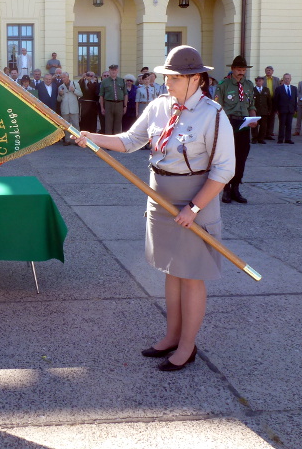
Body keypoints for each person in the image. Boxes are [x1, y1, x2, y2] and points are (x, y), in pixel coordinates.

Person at [76, 46, 234, 372]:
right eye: (166, 77)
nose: (167, 83)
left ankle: (187, 346)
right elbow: (129, 141)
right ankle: (171, 336)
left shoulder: (213, 115)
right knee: (171, 270)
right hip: (160, 200)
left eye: (174, 78)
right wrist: (93, 137)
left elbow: (223, 171)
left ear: (195, 79)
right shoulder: (159, 107)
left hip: (194, 203)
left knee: (191, 275)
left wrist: (193, 208)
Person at [214, 55, 257, 204]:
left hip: (244, 123)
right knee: (227, 157)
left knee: (241, 156)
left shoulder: (249, 85)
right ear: (232, 69)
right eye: (239, 69)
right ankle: (225, 188)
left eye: (244, 70)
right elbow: (217, 106)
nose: (241, 72)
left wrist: (253, 118)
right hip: (229, 122)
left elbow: (251, 104)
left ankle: (236, 188)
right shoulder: (224, 85)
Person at [99, 65, 127, 135]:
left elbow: (125, 94)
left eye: (115, 70)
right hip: (108, 104)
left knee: (118, 124)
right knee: (108, 124)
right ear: (109, 71)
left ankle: (116, 143)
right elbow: (101, 95)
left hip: (119, 104)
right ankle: (108, 143)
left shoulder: (122, 81)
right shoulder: (104, 81)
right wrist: (102, 107)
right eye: (112, 70)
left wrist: (125, 106)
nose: (113, 71)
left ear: (117, 71)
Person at [57, 72, 82, 145]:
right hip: (65, 109)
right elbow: (58, 99)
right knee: (66, 126)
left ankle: (77, 140)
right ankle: (67, 140)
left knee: (76, 125)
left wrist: (74, 90)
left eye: (64, 77)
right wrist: (60, 94)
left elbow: (81, 94)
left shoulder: (75, 84)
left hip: (74, 108)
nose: (63, 79)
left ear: (68, 77)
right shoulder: (60, 86)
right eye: (62, 78)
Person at [272, 74, 297, 144]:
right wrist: (276, 109)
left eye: (288, 78)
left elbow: (295, 99)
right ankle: (280, 138)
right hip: (282, 109)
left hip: (291, 109)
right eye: (285, 78)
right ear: (283, 79)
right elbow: (276, 100)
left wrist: (295, 109)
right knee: (282, 125)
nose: (287, 80)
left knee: (289, 125)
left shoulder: (294, 88)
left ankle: (288, 139)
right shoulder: (279, 89)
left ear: (290, 79)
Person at [251, 76, 272, 144]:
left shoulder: (266, 90)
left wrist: (269, 110)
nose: (259, 82)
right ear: (256, 82)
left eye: (260, 81)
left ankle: (261, 138)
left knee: (263, 126)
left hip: (264, 111)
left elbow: (269, 101)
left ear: (263, 82)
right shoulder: (253, 90)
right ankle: (254, 138)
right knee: (255, 125)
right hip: (255, 111)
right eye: (257, 81)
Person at [262, 66, 280, 139]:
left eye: (269, 70)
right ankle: (263, 133)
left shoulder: (276, 79)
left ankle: (269, 133)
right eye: (267, 70)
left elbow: (278, 90)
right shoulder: (262, 79)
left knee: (272, 117)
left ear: (272, 71)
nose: (268, 71)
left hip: (273, 100)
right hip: (264, 100)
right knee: (264, 117)